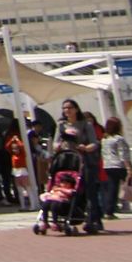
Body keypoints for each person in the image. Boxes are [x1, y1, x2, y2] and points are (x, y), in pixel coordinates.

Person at [53, 99, 103, 232]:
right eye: (64, 108)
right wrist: (57, 146)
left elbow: (94, 143)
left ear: (76, 109)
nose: (67, 110)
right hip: (67, 161)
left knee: (89, 192)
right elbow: (55, 142)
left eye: (69, 107)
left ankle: (94, 220)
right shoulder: (61, 125)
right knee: (69, 190)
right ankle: (69, 216)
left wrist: (86, 148)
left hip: (83, 160)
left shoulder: (85, 124)